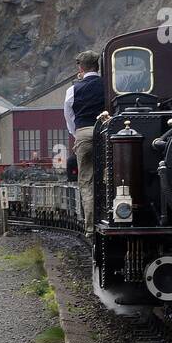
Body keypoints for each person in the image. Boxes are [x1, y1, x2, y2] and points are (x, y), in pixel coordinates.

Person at [64, 50, 105, 235]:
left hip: (82, 133)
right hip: (104, 131)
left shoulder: (72, 90)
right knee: (109, 176)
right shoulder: (107, 85)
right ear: (98, 66)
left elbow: (69, 117)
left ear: (81, 67)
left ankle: (89, 227)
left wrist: (77, 133)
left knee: (86, 181)